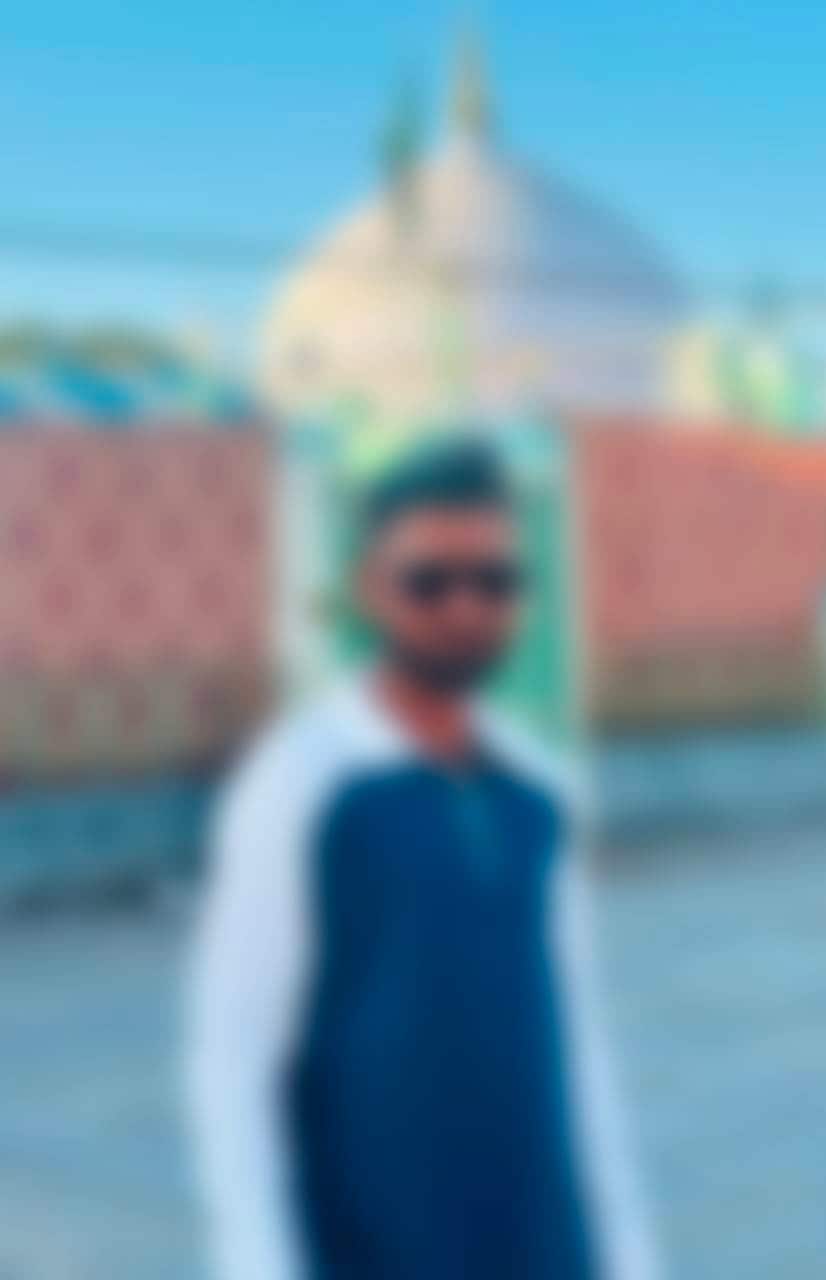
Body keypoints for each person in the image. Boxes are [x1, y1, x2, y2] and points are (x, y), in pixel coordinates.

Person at [186, 434, 658, 1280]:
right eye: (429, 581)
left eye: (495, 581)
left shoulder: (537, 790)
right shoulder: (304, 783)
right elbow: (234, 1054)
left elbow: (577, 1044)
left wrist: (627, 1252)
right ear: (370, 589)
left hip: (539, 1246)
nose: (465, 607)